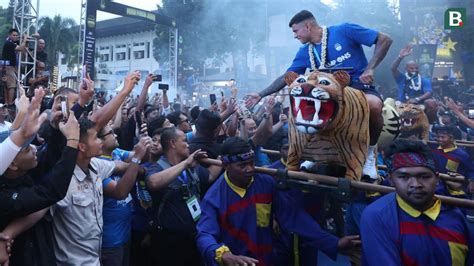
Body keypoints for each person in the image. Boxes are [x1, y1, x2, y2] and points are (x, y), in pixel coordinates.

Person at [245, 10, 392, 179]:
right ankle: (315, 155)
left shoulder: (344, 30)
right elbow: (286, 77)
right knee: (303, 108)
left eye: (295, 31)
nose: (294, 36)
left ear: (308, 26)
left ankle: (370, 153)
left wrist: (370, 68)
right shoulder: (304, 52)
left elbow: (385, 39)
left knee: (374, 105)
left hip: (359, 90)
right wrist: (260, 94)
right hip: (328, 97)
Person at [196, 137, 360, 266]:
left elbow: (292, 217)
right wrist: (223, 255)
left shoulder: (266, 182)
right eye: (242, 165)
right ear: (225, 165)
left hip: (266, 260)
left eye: (252, 163)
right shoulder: (214, 197)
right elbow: (205, 234)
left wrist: (333, 242)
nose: (250, 169)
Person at [50, 118, 149, 266]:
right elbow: (37, 210)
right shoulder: (62, 182)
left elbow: (119, 165)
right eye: (96, 138)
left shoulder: (96, 165)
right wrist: (7, 235)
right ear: (82, 147)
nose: (100, 142)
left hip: (96, 257)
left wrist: (141, 168)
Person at [360, 139, 474, 265]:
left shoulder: (455, 217)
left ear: (437, 179)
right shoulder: (378, 216)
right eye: (403, 177)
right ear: (391, 180)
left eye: (424, 176)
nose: (415, 184)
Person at [144, 127, 211, 265]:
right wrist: (185, 164)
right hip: (169, 242)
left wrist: (225, 159)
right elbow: (153, 182)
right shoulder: (156, 167)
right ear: (173, 143)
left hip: (194, 235)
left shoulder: (191, 165)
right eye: (184, 141)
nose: (188, 144)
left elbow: (210, 176)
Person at [97, 124, 151, 266]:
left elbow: (144, 158)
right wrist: (136, 160)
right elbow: (120, 192)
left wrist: (144, 140)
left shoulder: (116, 153)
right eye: (111, 133)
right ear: (99, 140)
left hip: (126, 233)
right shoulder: (97, 168)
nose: (115, 135)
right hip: (110, 241)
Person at [391, 44, 437, 123]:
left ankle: (429, 126)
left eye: (416, 68)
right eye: (411, 68)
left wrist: (417, 99)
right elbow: (393, 68)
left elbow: (428, 92)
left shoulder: (424, 80)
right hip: (402, 104)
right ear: (406, 69)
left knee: (431, 103)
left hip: (419, 105)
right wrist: (400, 57)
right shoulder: (401, 78)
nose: (414, 70)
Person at [1, 29, 28, 105]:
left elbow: (23, 49)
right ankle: (9, 103)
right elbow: (20, 48)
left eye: (16, 35)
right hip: (8, 67)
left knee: (7, 85)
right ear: (9, 35)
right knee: (11, 85)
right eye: (14, 35)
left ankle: (7, 103)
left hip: (7, 67)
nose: (15, 37)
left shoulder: (10, 42)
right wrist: (25, 40)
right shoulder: (9, 43)